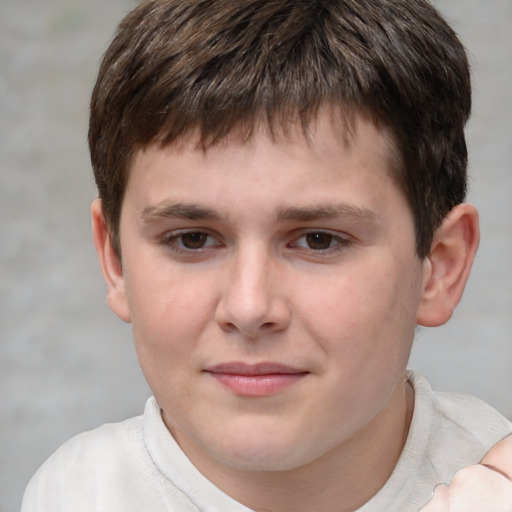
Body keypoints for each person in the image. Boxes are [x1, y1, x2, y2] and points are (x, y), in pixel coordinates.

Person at [22, 0, 511, 510]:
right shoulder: (75, 494)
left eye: (318, 239)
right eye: (192, 239)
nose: (250, 309)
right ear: (116, 261)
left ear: (440, 265)